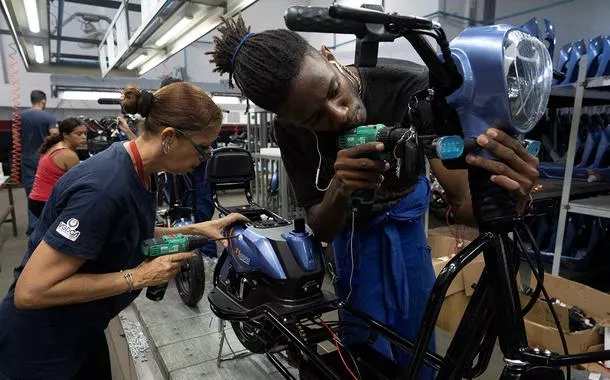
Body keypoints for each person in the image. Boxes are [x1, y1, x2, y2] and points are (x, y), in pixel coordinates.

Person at [209, 16, 539, 378]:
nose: (342, 115)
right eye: (315, 118)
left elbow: (463, 203)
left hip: (408, 233)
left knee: (418, 346)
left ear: (328, 56)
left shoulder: (410, 87)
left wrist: (509, 200)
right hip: (353, 244)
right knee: (364, 351)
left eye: (334, 91)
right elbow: (320, 229)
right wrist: (339, 188)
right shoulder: (289, 128)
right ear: (291, 120)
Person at [0, 82, 247, 380]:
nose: (205, 158)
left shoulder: (142, 171)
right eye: (202, 148)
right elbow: (31, 291)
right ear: (169, 138)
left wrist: (200, 229)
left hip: (84, 327)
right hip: (41, 347)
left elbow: (130, 228)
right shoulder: (104, 188)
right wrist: (138, 277)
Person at [158, 76, 218, 259]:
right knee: (177, 208)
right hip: (174, 170)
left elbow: (204, 145)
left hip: (197, 171)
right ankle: (185, 254)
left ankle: (206, 256)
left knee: (201, 207)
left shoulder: (195, 114)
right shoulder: (161, 119)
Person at [28, 118, 87, 219]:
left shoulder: (56, 146)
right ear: (65, 135)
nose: (84, 137)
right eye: (79, 134)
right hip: (46, 202)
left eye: (85, 133)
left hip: (37, 200)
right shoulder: (68, 154)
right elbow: (79, 184)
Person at [20, 90, 58, 234]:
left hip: (26, 158)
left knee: (32, 192)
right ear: (43, 101)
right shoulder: (48, 117)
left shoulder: (20, 117)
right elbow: (54, 134)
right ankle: (46, 225)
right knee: (47, 192)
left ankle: (33, 227)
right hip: (44, 159)